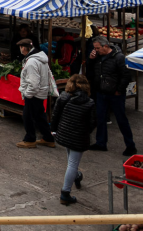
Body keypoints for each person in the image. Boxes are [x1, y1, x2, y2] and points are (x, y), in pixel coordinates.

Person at [51, 74, 96, 206]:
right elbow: (93, 122)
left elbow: (55, 114)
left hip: (64, 133)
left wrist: (54, 129)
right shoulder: (89, 103)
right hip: (78, 137)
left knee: (71, 161)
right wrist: (85, 132)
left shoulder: (63, 97)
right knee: (72, 163)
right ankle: (65, 193)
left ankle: (76, 175)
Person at [89, 35, 137, 155]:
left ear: (105, 46)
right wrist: (91, 59)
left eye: (98, 48)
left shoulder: (119, 57)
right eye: (95, 48)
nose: (96, 50)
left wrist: (118, 90)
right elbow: (91, 71)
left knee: (121, 119)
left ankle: (130, 146)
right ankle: (101, 143)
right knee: (100, 118)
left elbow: (126, 76)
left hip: (115, 95)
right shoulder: (97, 57)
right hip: (101, 92)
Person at [15, 38, 58, 149]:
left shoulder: (31, 62)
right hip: (41, 92)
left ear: (24, 48)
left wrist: (27, 94)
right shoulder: (40, 58)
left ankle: (30, 139)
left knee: (27, 117)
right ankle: (48, 138)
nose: (20, 50)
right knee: (40, 116)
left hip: (34, 94)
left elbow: (33, 83)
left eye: (20, 47)